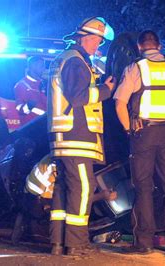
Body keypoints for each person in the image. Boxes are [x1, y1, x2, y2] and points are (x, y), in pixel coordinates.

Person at [114, 30, 165, 254]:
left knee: (143, 188)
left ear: (141, 47)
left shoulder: (136, 68)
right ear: (159, 46)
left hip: (144, 133)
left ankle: (144, 243)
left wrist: (128, 129)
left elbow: (120, 104)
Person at [47, 17, 115, 256]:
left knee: (63, 189)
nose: (99, 46)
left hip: (63, 135)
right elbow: (78, 98)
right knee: (84, 187)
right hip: (76, 135)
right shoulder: (76, 62)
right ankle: (76, 243)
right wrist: (106, 90)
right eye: (98, 41)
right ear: (86, 38)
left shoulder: (65, 59)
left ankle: (58, 242)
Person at [14, 56, 47, 125]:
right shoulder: (21, 85)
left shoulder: (44, 83)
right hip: (30, 127)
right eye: (41, 66)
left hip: (44, 125)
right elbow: (20, 110)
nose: (44, 69)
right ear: (33, 66)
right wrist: (29, 105)